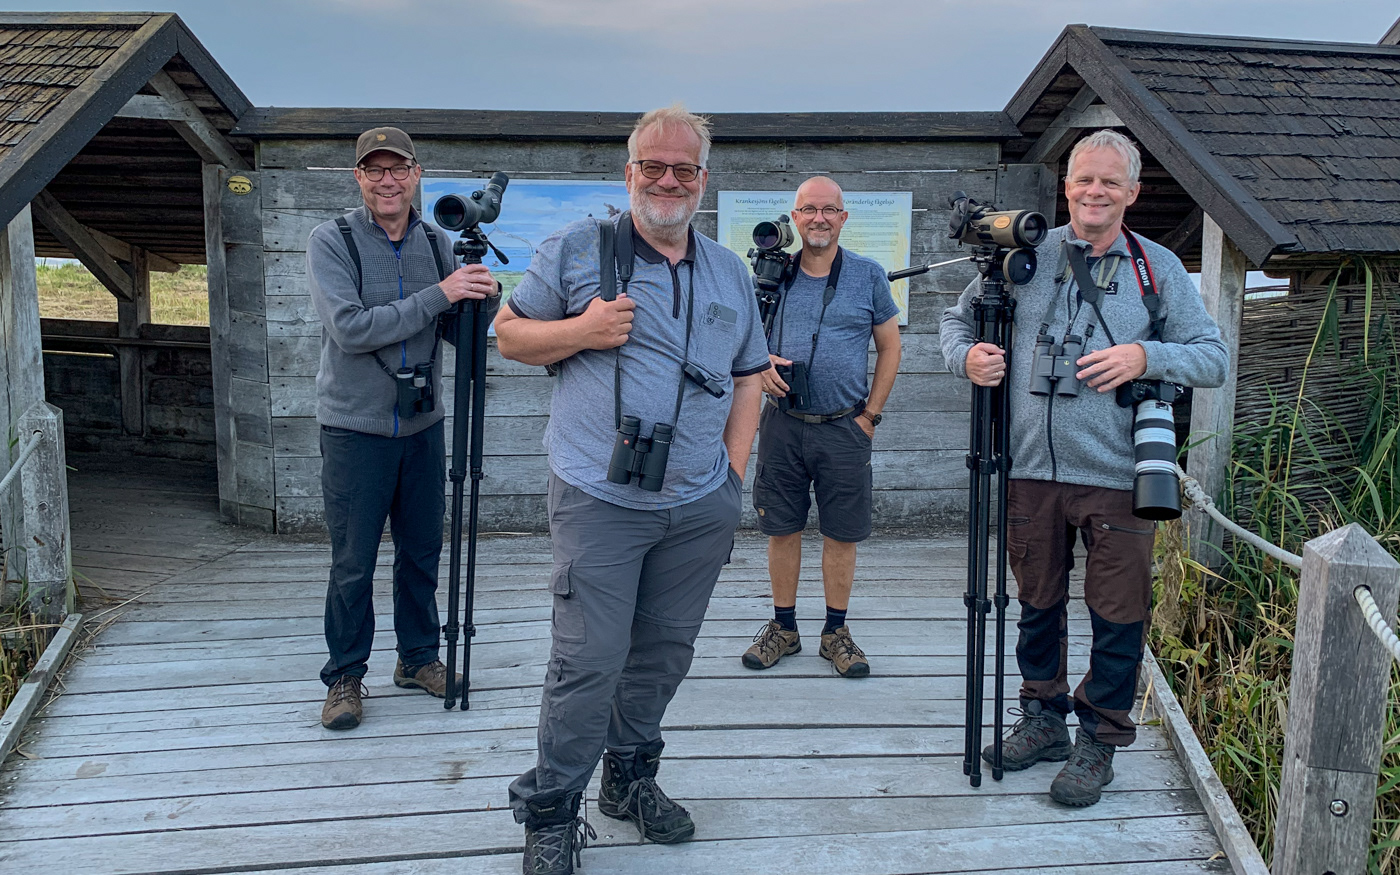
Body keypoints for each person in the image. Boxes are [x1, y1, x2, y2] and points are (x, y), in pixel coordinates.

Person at [494, 105, 770, 874]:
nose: (668, 179)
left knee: (662, 654)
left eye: (684, 168)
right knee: (587, 658)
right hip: (599, 498)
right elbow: (510, 334)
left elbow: (751, 373)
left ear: (704, 180)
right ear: (630, 172)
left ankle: (629, 776)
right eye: (653, 165)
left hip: (696, 504)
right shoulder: (578, 249)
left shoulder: (726, 270)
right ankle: (551, 809)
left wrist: (732, 478)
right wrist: (581, 329)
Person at [940, 130, 1228, 806]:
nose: (1093, 192)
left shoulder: (1158, 269)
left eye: (1108, 182)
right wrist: (969, 360)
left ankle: (1099, 738)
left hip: (1122, 477)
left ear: (1132, 192)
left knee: (1117, 614)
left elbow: (1212, 357)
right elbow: (955, 327)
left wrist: (1144, 357)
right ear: (1065, 186)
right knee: (1034, 602)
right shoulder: (1024, 253)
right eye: (1082, 180)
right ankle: (1042, 717)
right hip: (1030, 470)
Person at [306, 126, 499, 731]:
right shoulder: (331, 239)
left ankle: (417, 659)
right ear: (358, 178)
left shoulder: (440, 243)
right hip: (353, 427)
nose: (388, 180)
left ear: (417, 173)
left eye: (399, 169)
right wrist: (441, 293)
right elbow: (351, 329)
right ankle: (344, 675)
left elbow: (453, 333)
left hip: (421, 423)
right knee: (353, 561)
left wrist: (480, 299)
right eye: (375, 170)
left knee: (421, 551)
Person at [741, 176, 902, 678]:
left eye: (829, 209)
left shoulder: (867, 275)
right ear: (794, 218)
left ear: (843, 218)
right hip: (783, 425)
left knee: (842, 534)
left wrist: (869, 418)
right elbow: (740, 340)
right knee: (781, 528)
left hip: (844, 427)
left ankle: (836, 632)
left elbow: (890, 347)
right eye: (808, 209)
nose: (818, 218)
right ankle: (784, 628)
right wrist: (758, 361)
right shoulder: (771, 276)